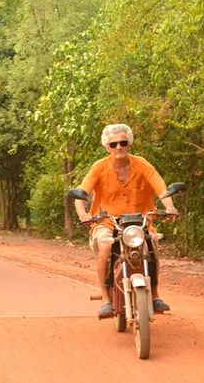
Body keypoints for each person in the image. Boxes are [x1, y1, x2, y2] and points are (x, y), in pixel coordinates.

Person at [74, 124, 178, 318]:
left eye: (123, 143)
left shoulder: (142, 164)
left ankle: (155, 295)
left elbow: (161, 188)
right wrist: (83, 213)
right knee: (105, 246)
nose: (118, 147)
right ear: (107, 147)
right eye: (113, 144)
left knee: (152, 244)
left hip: (140, 223)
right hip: (107, 223)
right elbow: (81, 194)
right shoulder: (99, 167)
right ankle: (106, 300)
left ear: (129, 144)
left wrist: (170, 207)